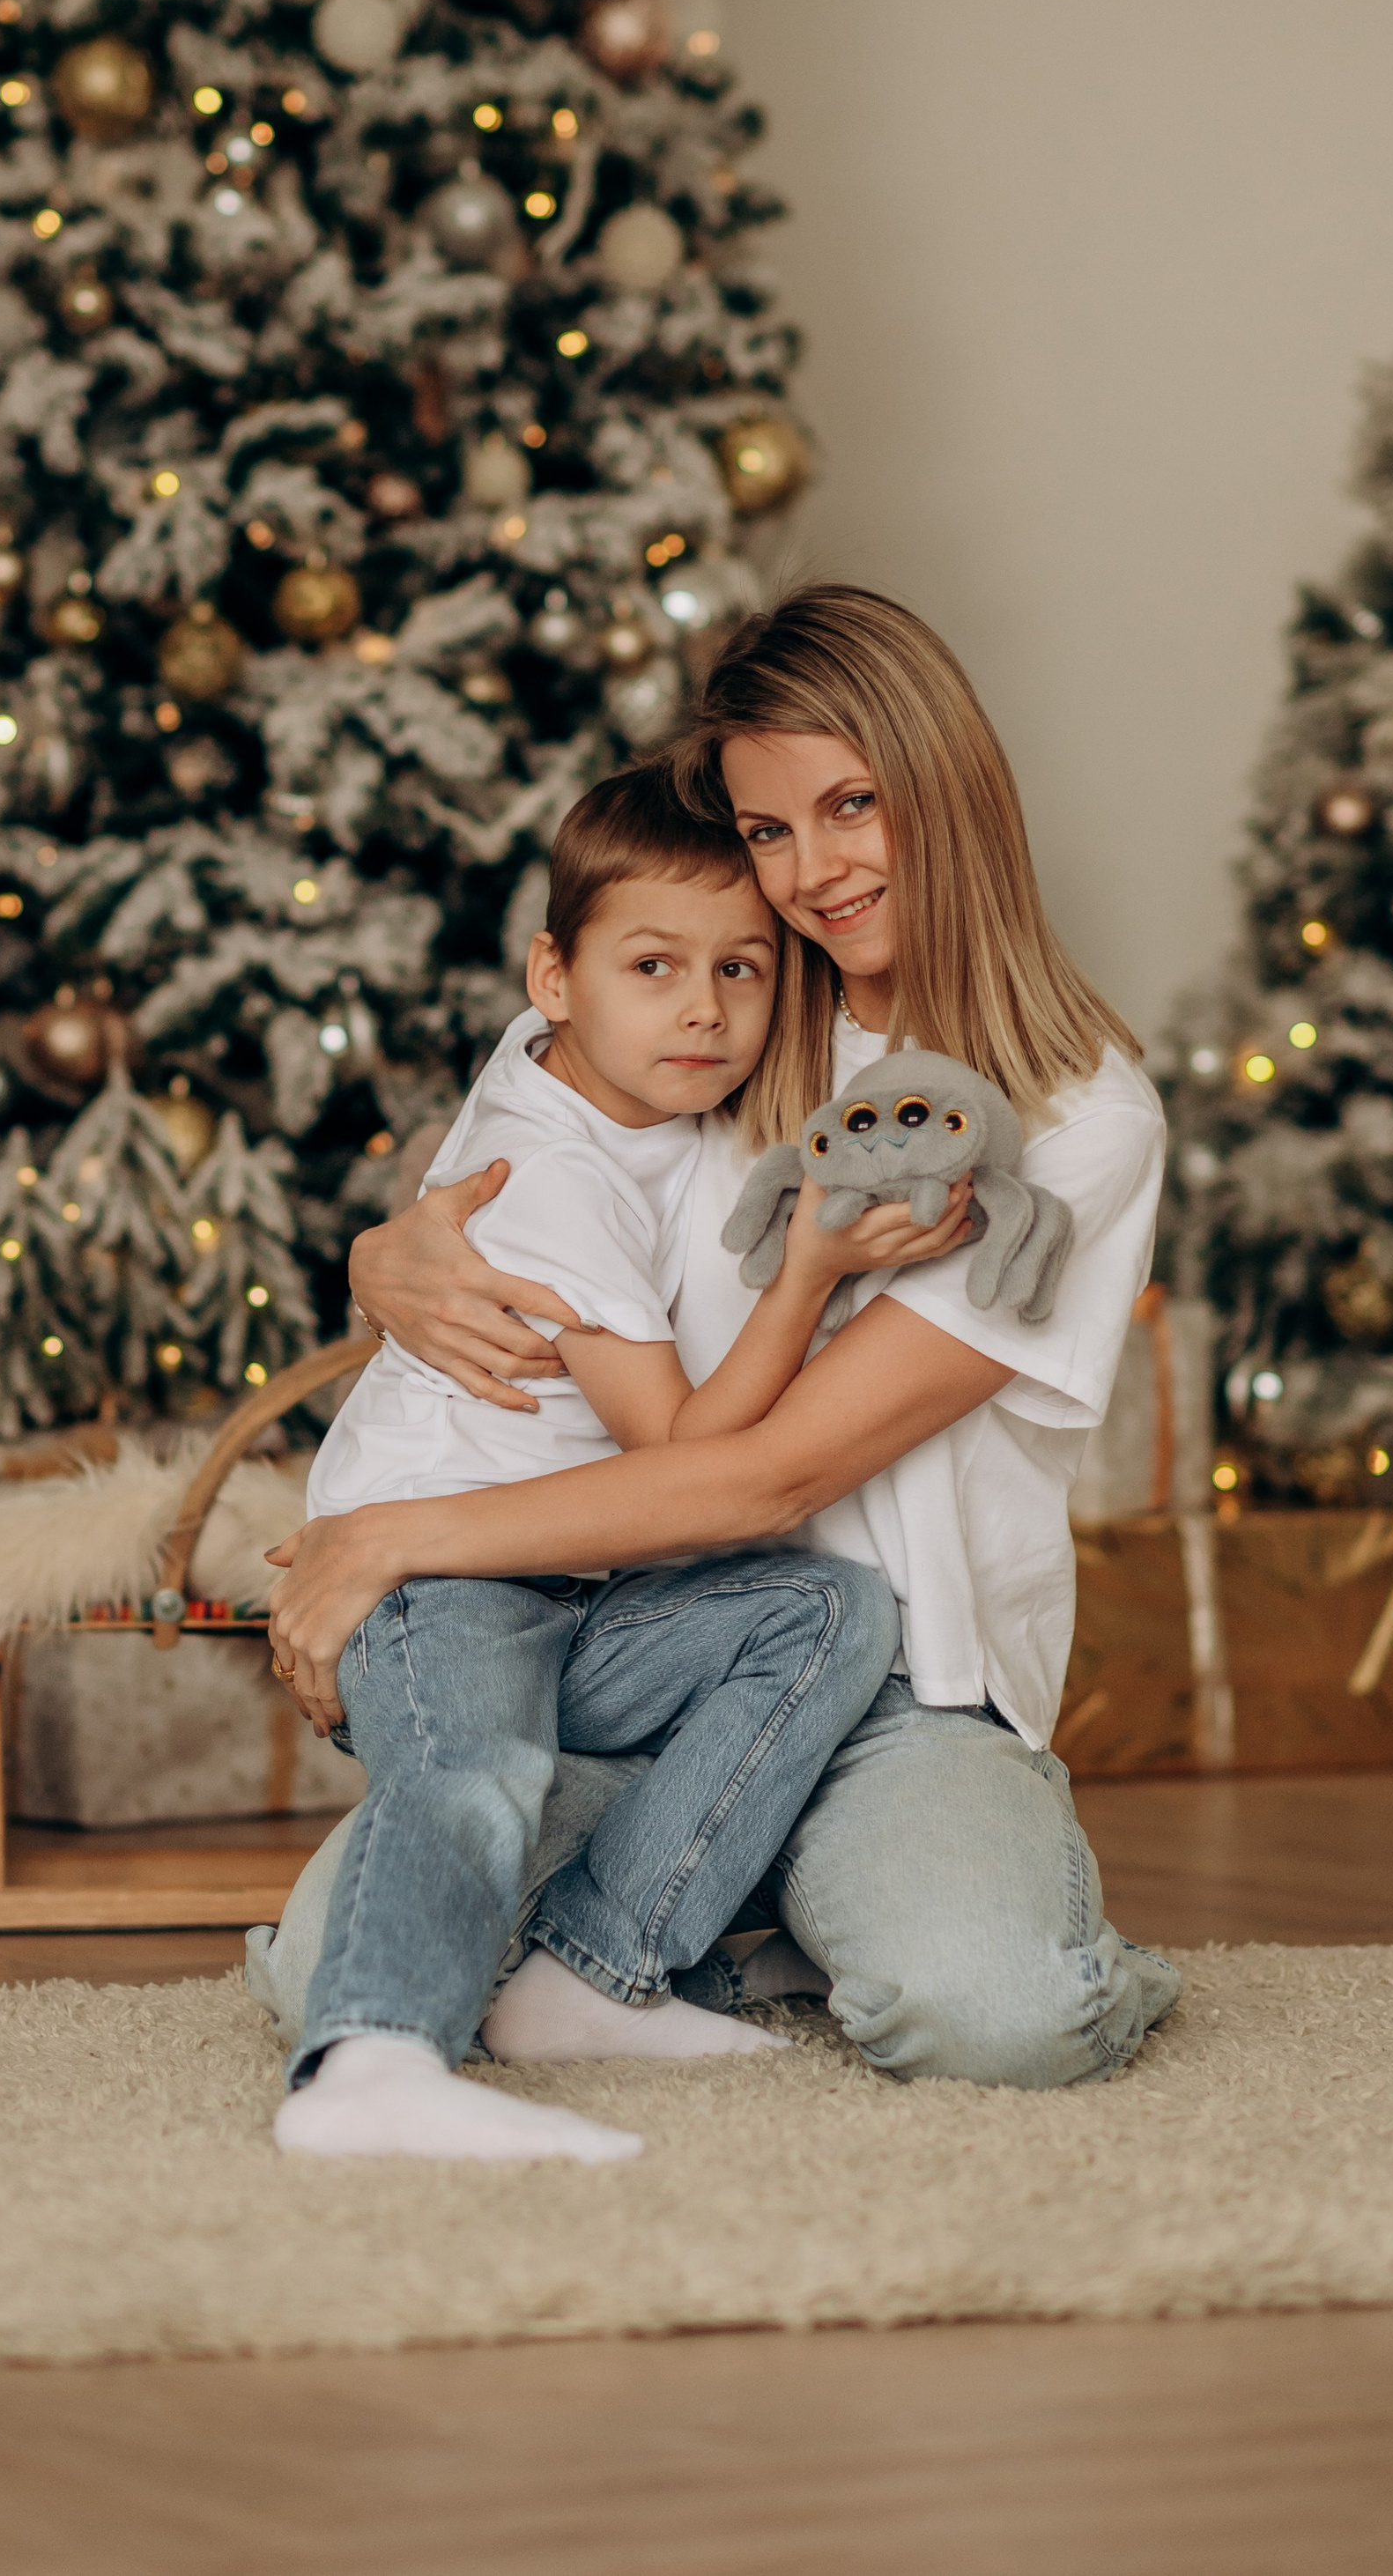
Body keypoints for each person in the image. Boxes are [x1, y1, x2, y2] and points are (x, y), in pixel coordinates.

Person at [255, 585, 1182, 2091]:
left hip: (905, 1684)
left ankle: (832, 1906)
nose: (812, 873)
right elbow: (536, 1123)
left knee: (1001, 2015)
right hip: (642, 1642)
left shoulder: (1079, 1122)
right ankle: (734, 1917)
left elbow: (761, 1483)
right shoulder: (739, 1007)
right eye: (768, 832)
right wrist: (391, 1254)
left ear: (944, 787)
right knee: (323, 1976)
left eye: (852, 806)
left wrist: (399, 1536)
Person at [274, 760, 958, 2165]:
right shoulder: (555, 1175)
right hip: (427, 1577)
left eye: (742, 970)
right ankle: (369, 2063)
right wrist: (809, 1271)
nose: (705, 1009)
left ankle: (590, 1969)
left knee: (826, 1610)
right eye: (654, 965)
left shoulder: (601, 1074)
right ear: (557, 976)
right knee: (476, 1769)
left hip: (569, 1587)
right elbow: (687, 1451)